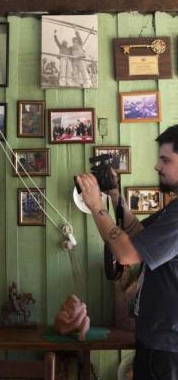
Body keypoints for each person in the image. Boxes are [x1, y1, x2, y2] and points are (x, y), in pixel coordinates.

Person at [76, 124, 178, 380]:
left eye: (165, 160)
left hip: (167, 349)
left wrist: (97, 207)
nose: (157, 166)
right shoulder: (174, 208)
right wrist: (113, 195)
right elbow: (136, 233)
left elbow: (126, 253)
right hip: (157, 341)